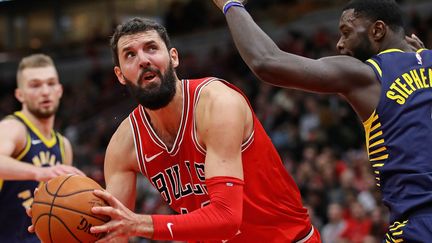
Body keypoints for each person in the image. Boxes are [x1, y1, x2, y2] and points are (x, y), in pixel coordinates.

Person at [212, 0, 432, 241]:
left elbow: (267, 61)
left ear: (377, 31)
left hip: (418, 225)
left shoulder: (367, 75)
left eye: (347, 33)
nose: (339, 44)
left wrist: (230, 5)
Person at [85, 17, 321, 242]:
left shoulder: (217, 103)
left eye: (151, 48)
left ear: (173, 57)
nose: (143, 60)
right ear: (120, 75)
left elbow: (227, 218)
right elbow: (115, 232)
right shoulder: (124, 144)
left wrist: (140, 224)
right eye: (130, 55)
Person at [0, 54, 84, 242]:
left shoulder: (63, 145)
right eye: (35, 85)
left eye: (51, 83)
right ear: (19, 95)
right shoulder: (14, 128)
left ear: (60, 90)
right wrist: (39, 172)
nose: (45, 91)